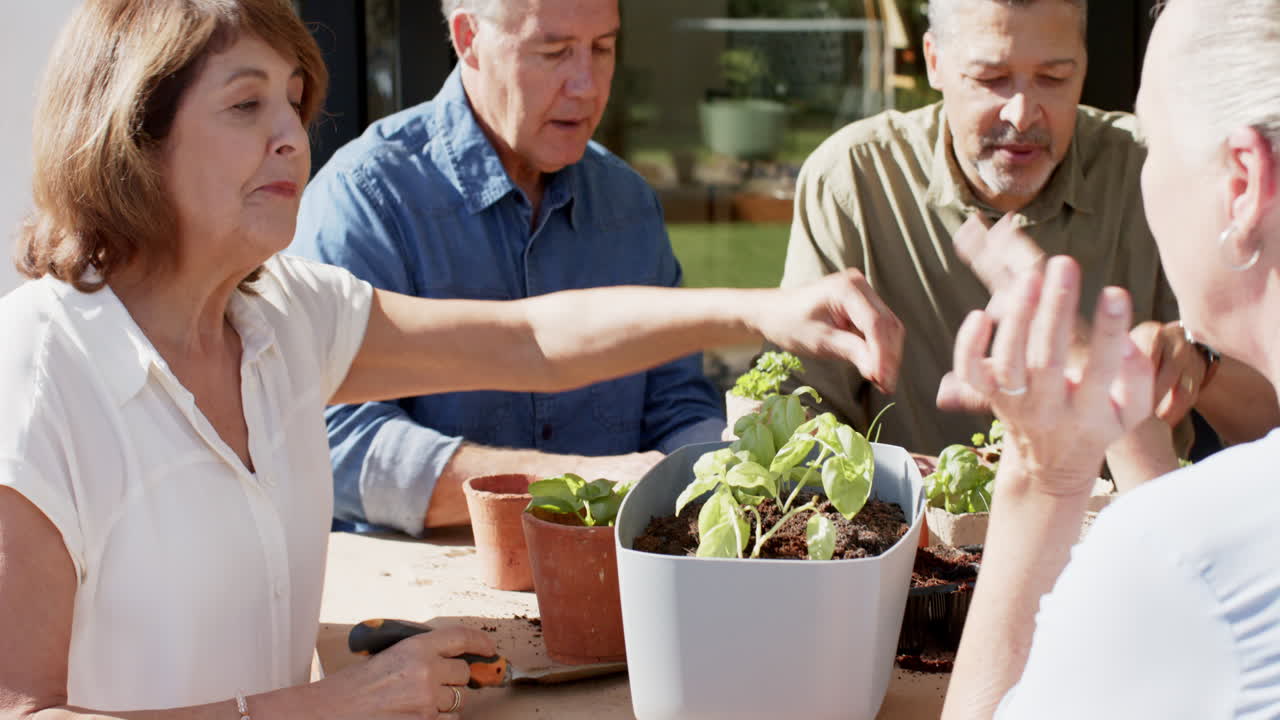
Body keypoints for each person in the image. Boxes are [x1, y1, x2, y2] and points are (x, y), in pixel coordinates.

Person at [0, 1, 904, 717]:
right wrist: (331, 707)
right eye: (246, 104)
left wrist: (764, 309)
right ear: (132, 136)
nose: (291, 133)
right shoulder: (39, 369)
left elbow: (531, 339)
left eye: (293, 99)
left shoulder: (284, 317)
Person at [942, 0, 1280, 716]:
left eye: (1155, 143)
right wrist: (1132, 435)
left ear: (1244, 184)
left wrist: (1044, 477)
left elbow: (1191, 575)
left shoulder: (1180, 555)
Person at [288, 0, 724, 536]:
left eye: (603, 47)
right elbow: (335, 445)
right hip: (426, 604)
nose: (586, 84)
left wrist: (729, 464)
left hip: (614, 591)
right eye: (554, 51)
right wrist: (576, 482)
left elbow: (676, 404)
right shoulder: (367, 197)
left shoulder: (628, 203)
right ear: (469, 37)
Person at [774, 0, 1275, 459]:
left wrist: (1199, 368)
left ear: (1083, 63)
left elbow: (1268, 422)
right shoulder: (854, 180)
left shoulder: (1156, 169)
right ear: (934, 61)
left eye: (1053, 78)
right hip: (909, 537)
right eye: (991, 78)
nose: (1022, 112)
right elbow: (795, 418)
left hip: (1124, 528)